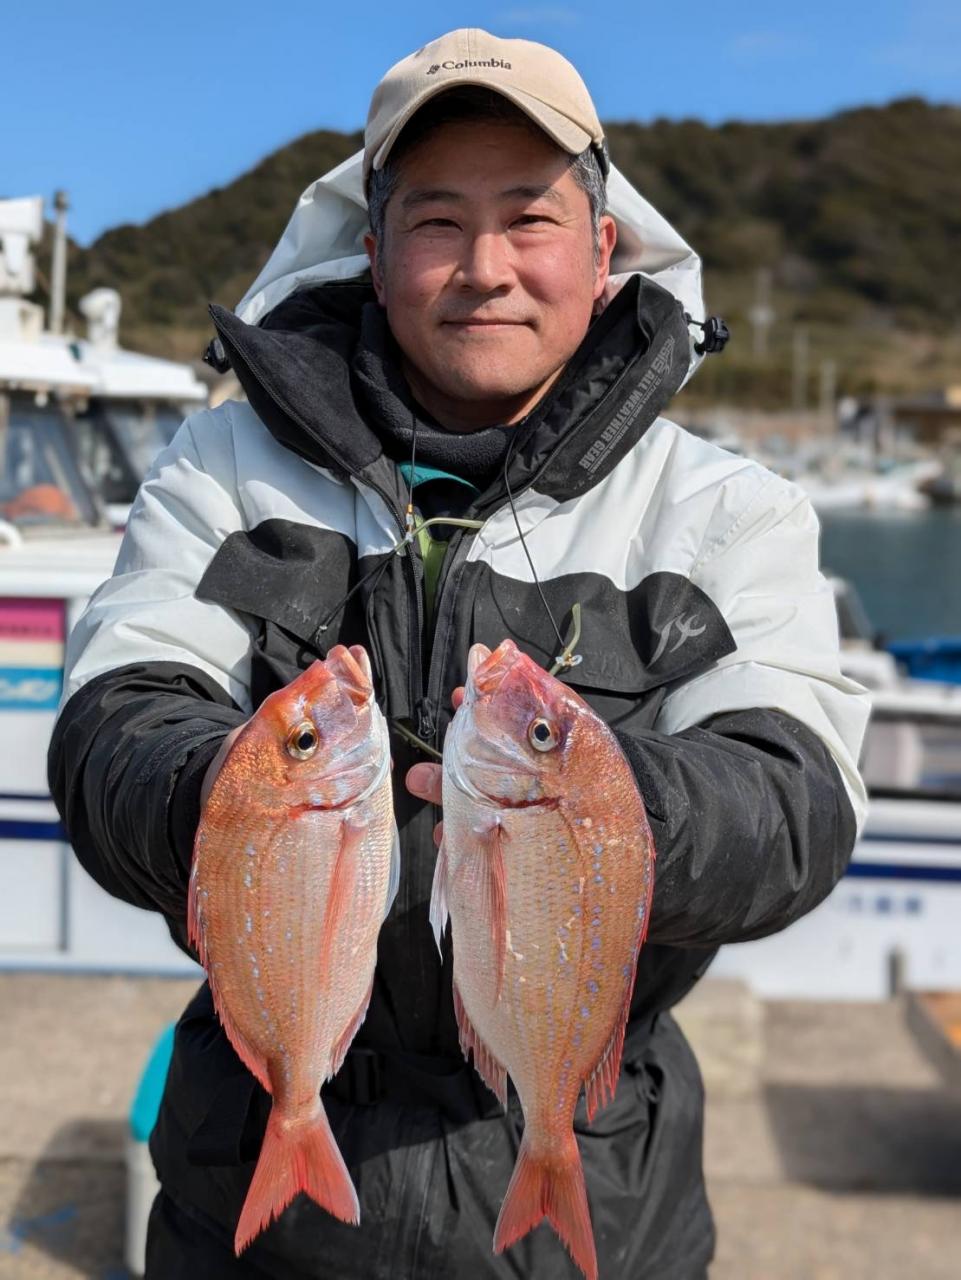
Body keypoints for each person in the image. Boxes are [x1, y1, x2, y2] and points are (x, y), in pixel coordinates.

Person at [48, 28, 869, 1280]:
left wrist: (596, 801)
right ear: (373, 252)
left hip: (599, 1184)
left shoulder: (723, 510)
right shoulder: (222, 467)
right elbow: (117, 713)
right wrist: (238, 794)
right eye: (437, 221)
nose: (486, 268)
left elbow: (797, 798)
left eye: (529, 218)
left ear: (603, 249)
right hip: (254, 1195)